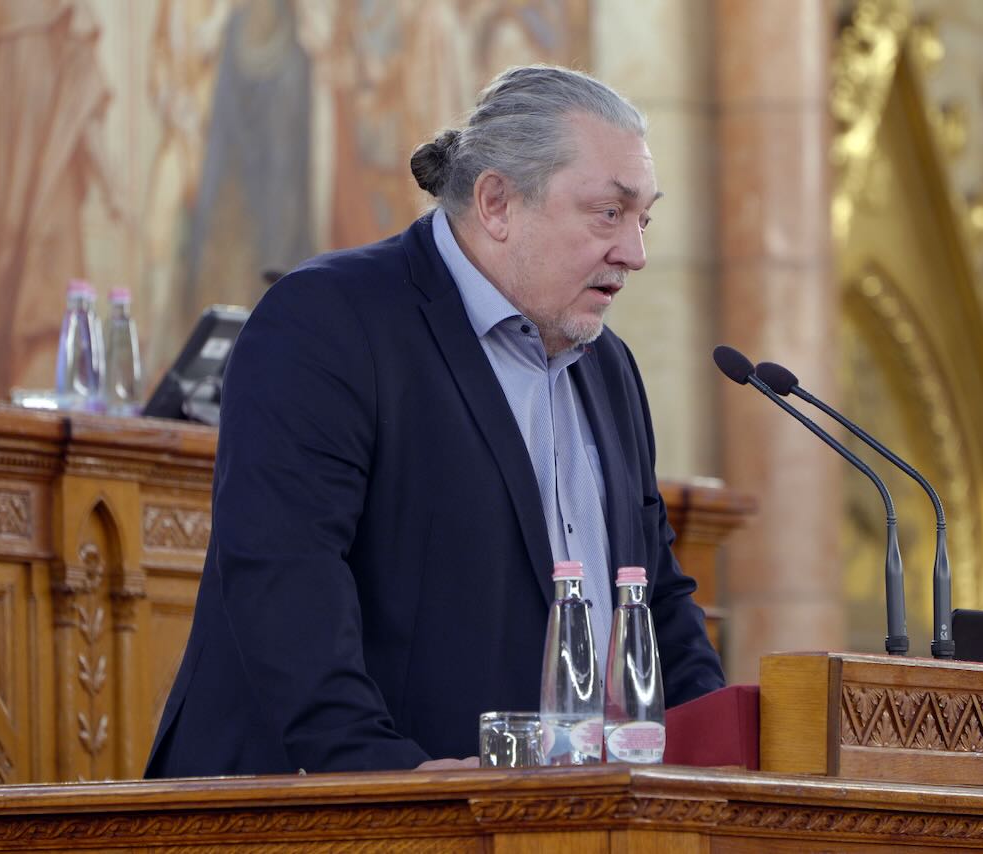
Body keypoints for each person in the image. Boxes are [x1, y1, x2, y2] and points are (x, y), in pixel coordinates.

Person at [145, 64, 725, 777]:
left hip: (557, 812)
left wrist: (720, 753)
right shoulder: (327, 321)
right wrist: (386, 775)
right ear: (497, 202)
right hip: (329, 808)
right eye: (609, 212)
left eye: (644, 219)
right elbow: (283, 578)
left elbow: (654, 595)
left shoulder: (609, 369)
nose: (634, 253)